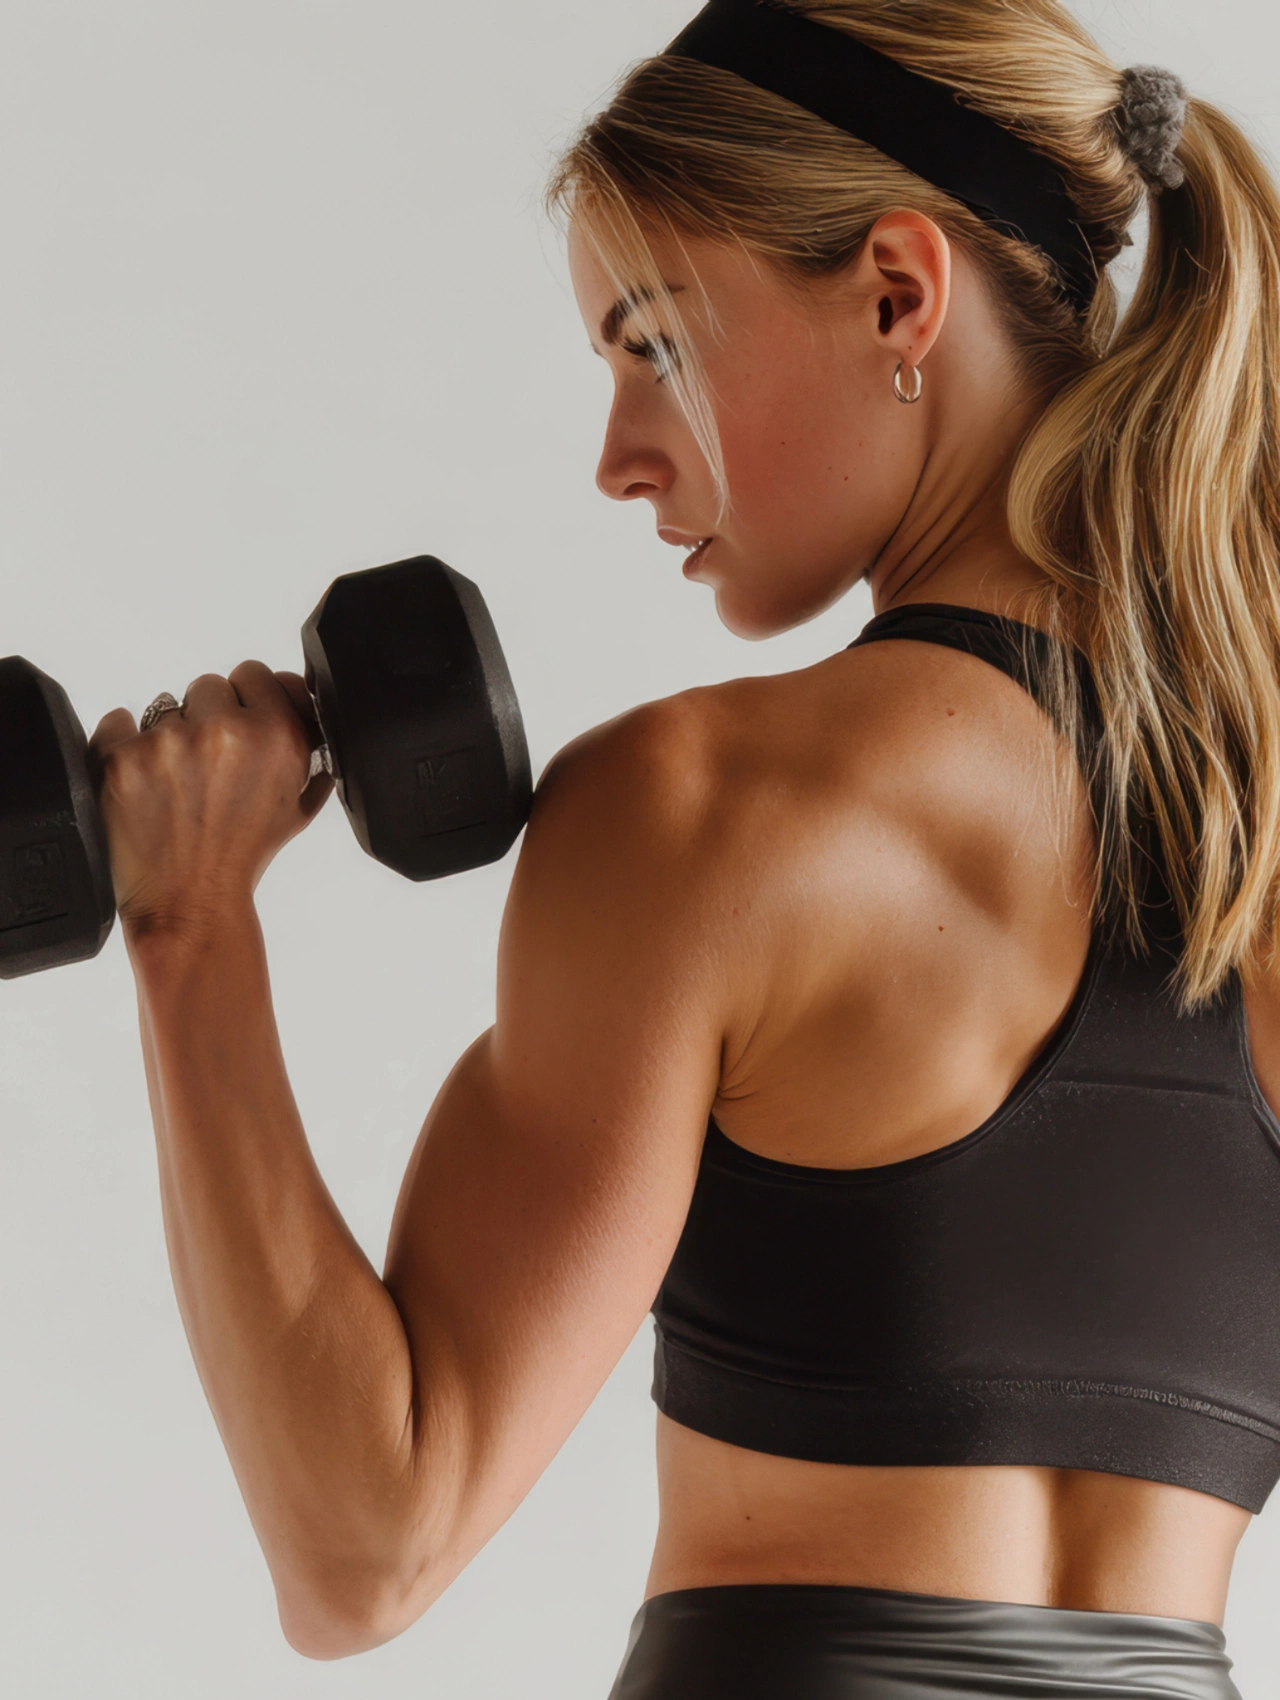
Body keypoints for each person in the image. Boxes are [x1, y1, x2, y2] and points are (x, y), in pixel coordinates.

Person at [87, 0, 1280, 1694]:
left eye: (652, 342)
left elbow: (364, 1546)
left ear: (897, 293)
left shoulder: (704, 815)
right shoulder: (1264, 846)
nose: (618, 460)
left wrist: (189, 926)